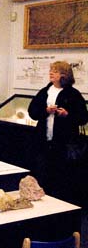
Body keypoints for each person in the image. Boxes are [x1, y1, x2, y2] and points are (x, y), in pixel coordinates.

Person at [28, 61, 88, 203]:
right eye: (51, 70)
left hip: (63, 143)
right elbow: (32, 112)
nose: (51, 73)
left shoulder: (73, 94)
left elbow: (83, 117)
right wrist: (46, 111)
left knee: (62, 176)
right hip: (44, 142)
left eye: (55, 71)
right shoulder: (45, 91)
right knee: (43, 174)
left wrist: (67, 114)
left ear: (64, 75)